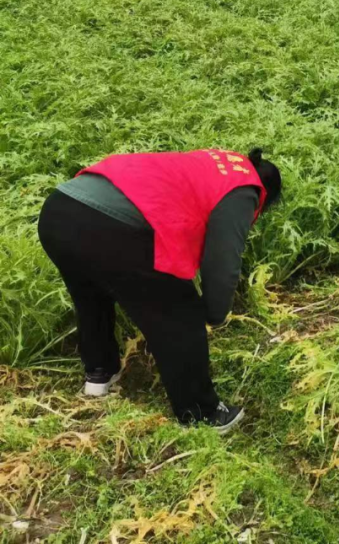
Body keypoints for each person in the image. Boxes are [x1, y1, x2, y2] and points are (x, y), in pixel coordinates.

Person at [37, 148, 283, 431]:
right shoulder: (244, 190)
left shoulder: (215, 162)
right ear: (265, 196)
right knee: (179, 312)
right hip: (107, 224)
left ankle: (99, 375)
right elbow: (222, 262)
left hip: (59, 209)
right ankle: (201, 413)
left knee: (91, 295)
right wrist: (214, 313)